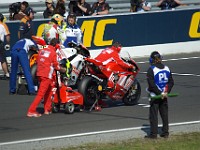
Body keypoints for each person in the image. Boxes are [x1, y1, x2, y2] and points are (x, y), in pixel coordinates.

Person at [27, 38, 67, 117]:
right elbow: (56, 66)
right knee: (41, 94)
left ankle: (46, 109)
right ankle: (31, 110)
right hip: (47, 75)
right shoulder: (53, 53)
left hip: (39, 74)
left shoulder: (42, 50)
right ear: (56, 45)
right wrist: (63, 70)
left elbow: (37, 61)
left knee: (50, 90)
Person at [145, 51, 174, 139]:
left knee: (153, 115)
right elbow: (171, 82)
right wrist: (166, 92)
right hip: (164, 95)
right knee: (164, 114)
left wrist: (159, 93)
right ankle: (165, 132)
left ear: (152, 60)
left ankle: (153, 134)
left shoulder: (151, 69)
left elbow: (152, 85)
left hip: (155, 96)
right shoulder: (167, 68)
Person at [0, 13, 10, 78]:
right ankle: (6, 73)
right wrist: (8, 43)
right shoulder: (3, 25)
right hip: (0, 43)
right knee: (3, 60)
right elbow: (7, 35)